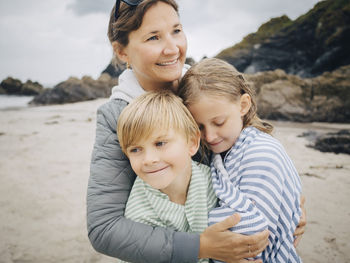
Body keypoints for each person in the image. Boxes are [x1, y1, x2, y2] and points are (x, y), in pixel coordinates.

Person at [87, 0, 305, 262]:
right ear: (122, 51)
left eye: (176, 31)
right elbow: (104, 229)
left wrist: (287, 203)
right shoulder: (116, 116)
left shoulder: (206, 88)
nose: (172, 48)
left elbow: (256, 145)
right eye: (153, 37)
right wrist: (200, 247)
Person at [177, 58, 303, 262]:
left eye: (219, 122)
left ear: (243, 105)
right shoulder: (218, 152)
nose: (209, 136)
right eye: (199, 127)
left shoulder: (261, 152)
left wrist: (196, 236)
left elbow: (250, 236)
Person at [117, 91, 218, 263]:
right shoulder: (139, 218)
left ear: (192, 143)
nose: (149, 160)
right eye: (135, 149)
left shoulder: (213, 181)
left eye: (160, 143)